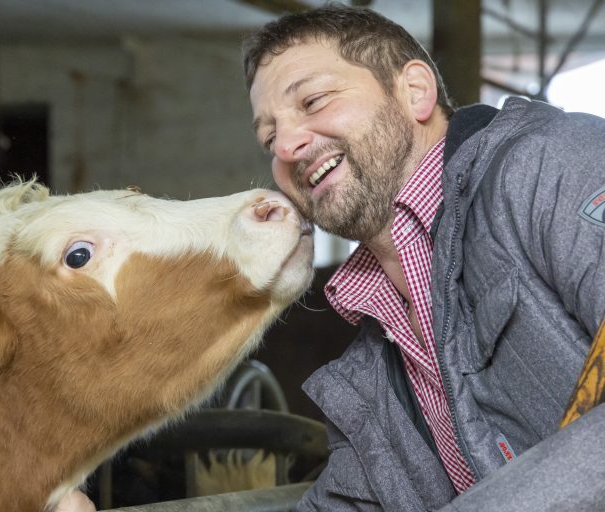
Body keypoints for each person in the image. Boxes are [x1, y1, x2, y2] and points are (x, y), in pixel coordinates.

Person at [244, 4, 605, 512]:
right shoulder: (373, 371)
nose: (285, 144)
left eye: (313, 100)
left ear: (414, 91)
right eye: (268, 137)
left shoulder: (551, 167)